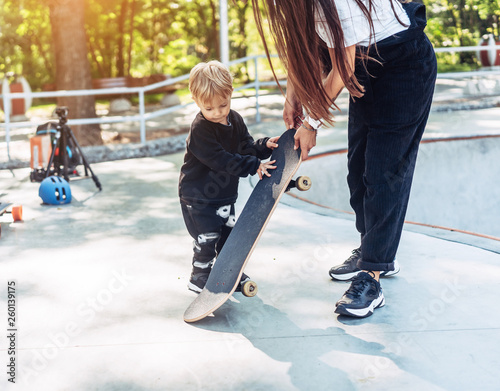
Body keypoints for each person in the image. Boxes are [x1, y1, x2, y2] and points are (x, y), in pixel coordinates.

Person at [252, 0, 437, 317]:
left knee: (384, 174)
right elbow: (306, 47)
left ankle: (372, 275)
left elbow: (343, 66)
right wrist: (293, 97)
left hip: (404, 69)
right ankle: (372, 250)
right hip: (367, 71)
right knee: (358, 171)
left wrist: (311, 123)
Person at [179, 60, 279, 293]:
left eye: (222, 105)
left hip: (224, 196)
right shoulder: (200, 129)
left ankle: (228, 270)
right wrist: (254, 165)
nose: (217, 113)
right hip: (198, 198)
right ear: (196, 101)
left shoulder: (234, 119)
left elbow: (244, 147)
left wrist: (264, 147)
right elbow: (220, 159)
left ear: (230, 94)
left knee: (227, 236)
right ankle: (199, 275)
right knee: (207, 237)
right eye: (209, 108)